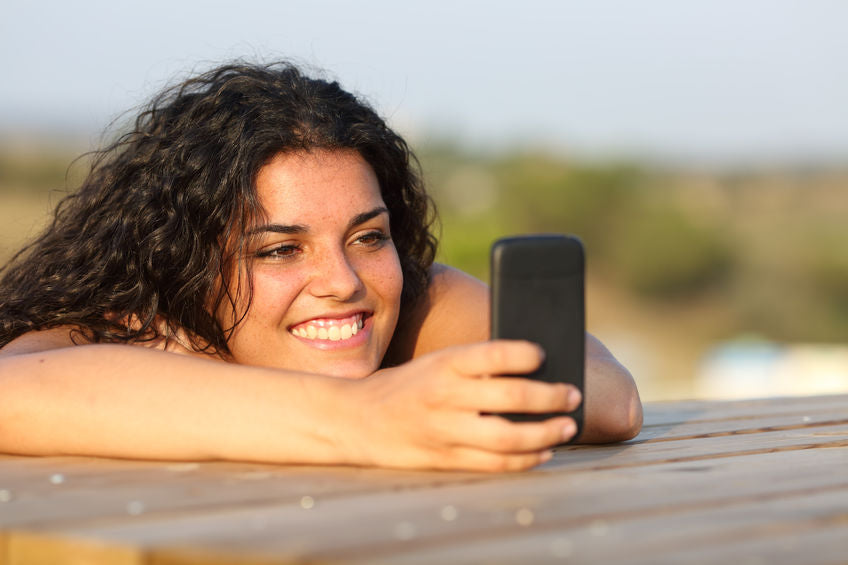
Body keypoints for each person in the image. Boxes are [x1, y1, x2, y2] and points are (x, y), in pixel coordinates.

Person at [0, 60, 641, 472]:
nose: (343, 282)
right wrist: (365, 418)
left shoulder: (410, 303)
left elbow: (611, 400)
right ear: (182, 265)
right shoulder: (125, 333)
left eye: (368, 237)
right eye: (281, 249)